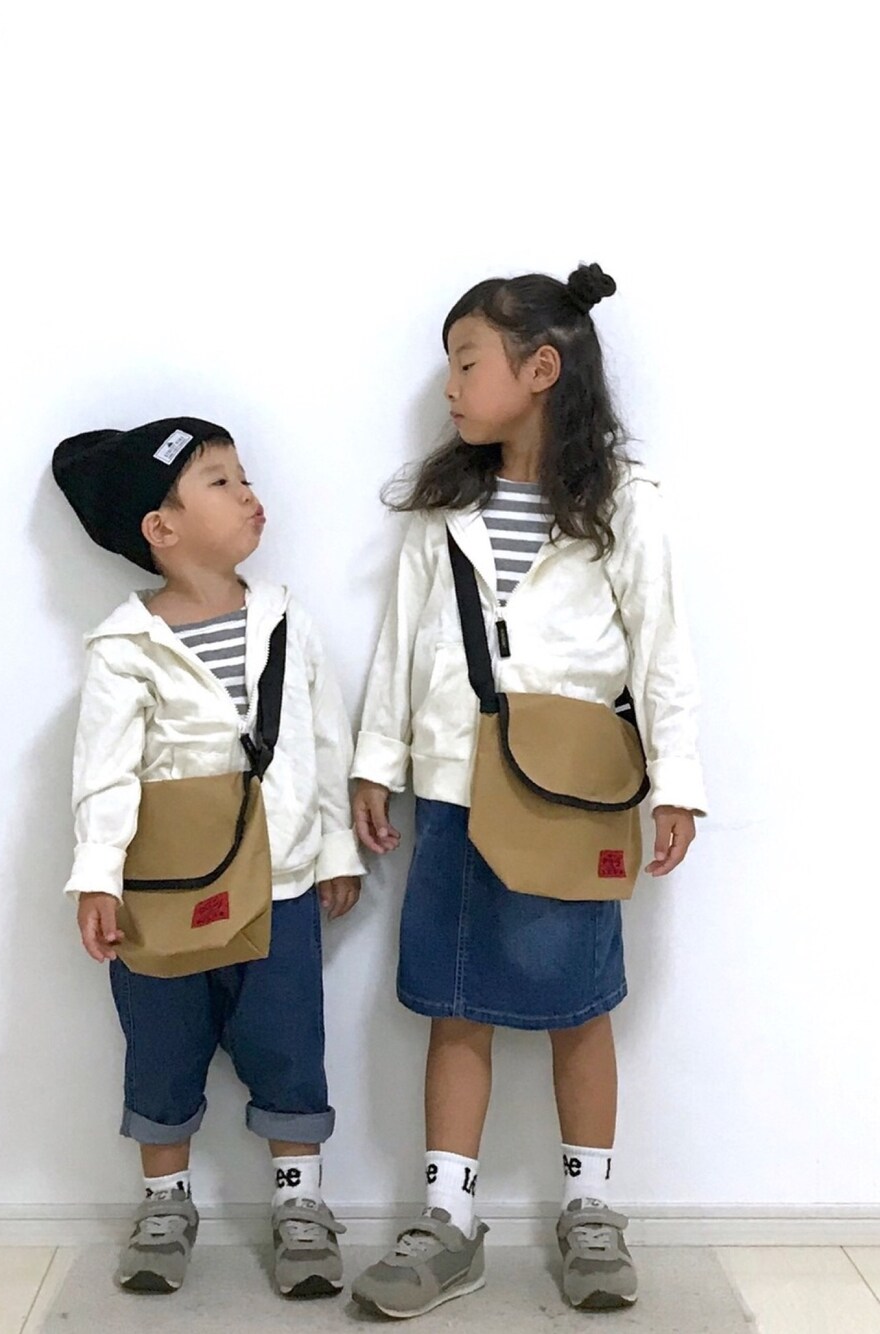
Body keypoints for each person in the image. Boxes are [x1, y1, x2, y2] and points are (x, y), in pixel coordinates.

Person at [349, 267, 706, 1316]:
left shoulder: (623, 502)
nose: (450, 386)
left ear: (541, 368)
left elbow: (662, 650)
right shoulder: (443, 510)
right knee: (454, 1001)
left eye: (467, 363)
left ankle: (590, 1208)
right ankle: (446, 1219)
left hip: (576, 794)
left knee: (578, 1004)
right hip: (455, 787)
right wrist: (376, 761)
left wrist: (675, 782)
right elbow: (402, 644)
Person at [52, 417, 363, 1298]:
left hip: (280, 882)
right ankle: (164, 1204)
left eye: (244, 476)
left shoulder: (286, 622)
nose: (249, 494)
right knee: (161, 1044)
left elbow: (323, 743)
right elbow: (104, 773)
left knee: (289, 1041)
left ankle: (300, 1202)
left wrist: (336, 848)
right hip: (158, 894)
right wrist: (97, 876)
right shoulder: (125, 647)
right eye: (220, 481)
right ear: (162, 527)